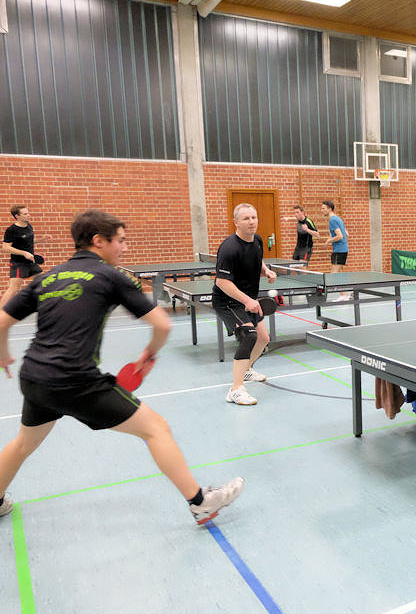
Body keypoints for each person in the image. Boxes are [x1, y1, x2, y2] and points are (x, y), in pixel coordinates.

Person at [0, 209, 244, 525]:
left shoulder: (48, 277)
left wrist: (4, 354)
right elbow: (163, 325)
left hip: (34, 377)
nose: (125, 248)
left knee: (23, 443)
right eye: (121, 241)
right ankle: (200, 503)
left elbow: (2, 321)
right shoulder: (111, 276)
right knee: (156, 429)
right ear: (99, 241)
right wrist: (149, 354)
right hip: (76, 380)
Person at [213, 202, 279, 406]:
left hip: (248, 299)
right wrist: (247, 300)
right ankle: (235, 390)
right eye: (246, 218)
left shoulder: (257, 240)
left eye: (253, 217)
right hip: (228, 301)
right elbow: (221, 282)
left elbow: (257, 259)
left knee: (263, 338)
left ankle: (247, 369)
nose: (251, 222)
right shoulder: (229, 248)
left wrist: (266, 270)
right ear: (236, 222)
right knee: (249, 336)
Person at [2, 205, 53, 309]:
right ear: (17, 216)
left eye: (28, 213)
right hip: (18, 263)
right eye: (25, 214)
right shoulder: (11, 230)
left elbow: (28, 241)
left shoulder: (29, 226)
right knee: (13, 289)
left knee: (43, 281)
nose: (29, 215)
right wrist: (24, 253)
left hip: (31, 262)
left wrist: (41, 240)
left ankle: (46, 307)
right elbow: (6, 247)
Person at [323, 200, 350, 301]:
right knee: (338, 273)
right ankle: (344, 294)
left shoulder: (332, 220)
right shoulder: (337, 218)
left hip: (339, 250)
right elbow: (346, 233)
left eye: (323, 208)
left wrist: (329, 240)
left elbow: (340, 236)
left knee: (333, 274)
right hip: (342, 249)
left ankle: (343, 295)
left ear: (329, 209)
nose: (321, 210)